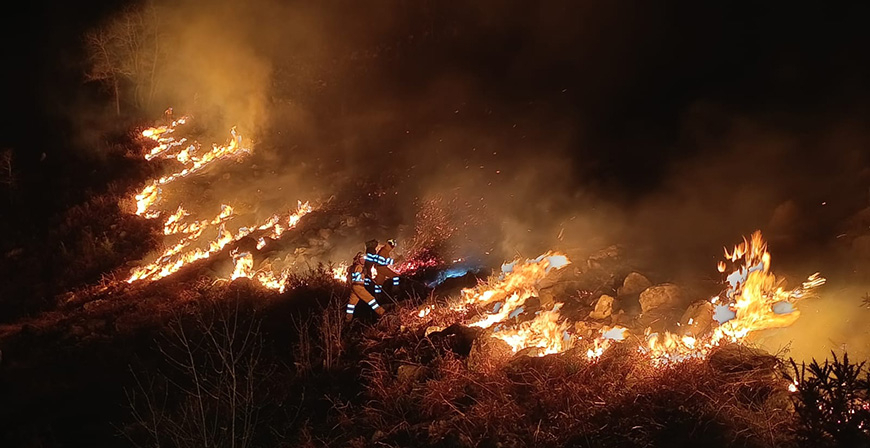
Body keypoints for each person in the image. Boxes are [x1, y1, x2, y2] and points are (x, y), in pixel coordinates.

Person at [346, 251, 385, 322]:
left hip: (353, 287)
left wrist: (365, 279)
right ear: (358, 259)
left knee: (351, 304)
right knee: (371, 299)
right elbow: (358, 278)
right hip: (358, 287)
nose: (363, 260)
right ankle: (381, 312)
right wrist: (363, 275)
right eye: (362, 259)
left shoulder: (353, 267)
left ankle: (347, 319)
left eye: (364, 259)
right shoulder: (359, 267)